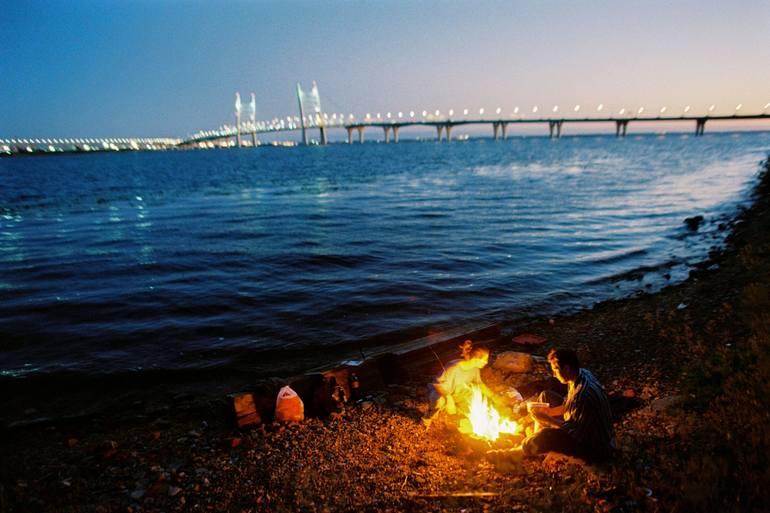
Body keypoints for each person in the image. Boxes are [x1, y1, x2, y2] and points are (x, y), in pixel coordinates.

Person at [521, 348, 615, 461]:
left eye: (556, 370)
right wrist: (549, 412)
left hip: (593, 446)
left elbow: (574, 432)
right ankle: (539, 437)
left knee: (530, 443)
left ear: (566, 368)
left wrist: (548, 420)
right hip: (579, 425)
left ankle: (537, 445)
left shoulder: (582, 395)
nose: (554, 375)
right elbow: (568, 405)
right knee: (545, 396)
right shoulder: (581, 374)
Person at [424, 343, 502, 426]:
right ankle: (429, 415)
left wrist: (493, 396)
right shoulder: (453, 368)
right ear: (475, 359)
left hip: (457, 393)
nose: (486, 362)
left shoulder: (475, 368)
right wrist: (449, 400)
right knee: (440, 401)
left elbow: (479, 384)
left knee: (473, 395)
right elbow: (437, 385)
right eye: (484, 359)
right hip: (441, 393)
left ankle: (461, 415)